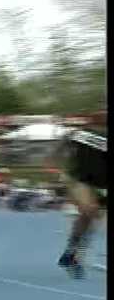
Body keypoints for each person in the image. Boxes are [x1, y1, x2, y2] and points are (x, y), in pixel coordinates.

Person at [50, 112, 106, 279]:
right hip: (82, 181)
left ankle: (71, 254)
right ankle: (72, 255)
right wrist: (58, 168)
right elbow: (56, 153)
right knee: (90, 211)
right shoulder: (78, 134)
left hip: (103, 184)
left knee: (89, 221)